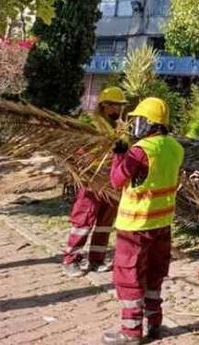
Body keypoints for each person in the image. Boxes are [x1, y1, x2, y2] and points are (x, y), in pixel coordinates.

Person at [103, 97, 184, 345]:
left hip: (135, 227)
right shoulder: (175, 148)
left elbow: (117, 181)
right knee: (154, 275)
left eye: (139, 120)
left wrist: (119, 155)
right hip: (162, 223)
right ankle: (155, 323)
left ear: (148, 123)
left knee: (130, 278)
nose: (135, 124)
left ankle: (131, 332)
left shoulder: (140, 151)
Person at [63, 86, 128, 277]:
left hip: (112, 182)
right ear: (105, 105)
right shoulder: (92, 124)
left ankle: (96, 260)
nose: (119, 109)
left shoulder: (120, 126)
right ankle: (70, 261)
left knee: (104, 225)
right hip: (92, 182)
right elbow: (81, 153)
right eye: (116, 106)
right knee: (83, 222)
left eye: (121, 106)